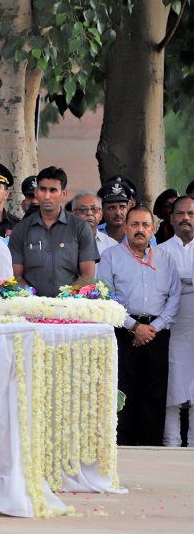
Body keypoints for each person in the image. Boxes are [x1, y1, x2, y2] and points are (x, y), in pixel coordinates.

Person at [97, 206, 181, 446]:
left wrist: (153, 328)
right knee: (123, 392)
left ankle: (150, 447)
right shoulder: (111, 256)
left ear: (153, 229)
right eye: (134, 225)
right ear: (125, 227)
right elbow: (106, 296)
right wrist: (134, 327)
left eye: (145, 225)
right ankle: (121, 446)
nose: (140, 230)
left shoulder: (165, 259)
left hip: (157, 333)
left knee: (153, 393)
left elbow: (175, 297)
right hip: (123, 331)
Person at [7, 166, 98, 297]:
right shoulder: (21, 229)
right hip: (31, 308)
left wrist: (64, 299)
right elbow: (16, 275)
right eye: (43, 189)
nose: (47, 196)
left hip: (71, 307)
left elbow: (87, 276)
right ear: (37, 192)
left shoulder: (80, 227)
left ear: (63, 194)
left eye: (53, 190)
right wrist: (33, 300)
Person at [156, 196, 194, 447]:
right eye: (180, 213)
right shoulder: (161, 251)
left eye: (190, 213)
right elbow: (162, 287)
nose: (185, 218)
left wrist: (180, 278)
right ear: (171, 218)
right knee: (172, 386)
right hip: (172, 329)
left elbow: (175, 281)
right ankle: (171, 442)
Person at [71, 190, 117, 255]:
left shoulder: (112, 245)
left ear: (101, 214)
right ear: (73, 214)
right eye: (83, 209)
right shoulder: (63, 242)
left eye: (94, 209)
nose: (89, 213)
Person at [97, 176, 136, 243]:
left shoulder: (142, 234)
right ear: (102, 211)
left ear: (128, 208)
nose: (118, 213)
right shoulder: (94, 234)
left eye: (122, 207)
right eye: (111, 208)